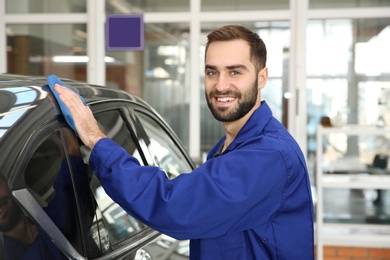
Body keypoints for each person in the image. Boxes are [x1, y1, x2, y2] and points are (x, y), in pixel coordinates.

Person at [55, 25, 315, 259]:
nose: (221, 85)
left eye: (235, 72)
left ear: (261, 78)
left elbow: (174, 207)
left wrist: (96, 139)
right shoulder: (228, 148)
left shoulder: (268, 155)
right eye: (212, 72)